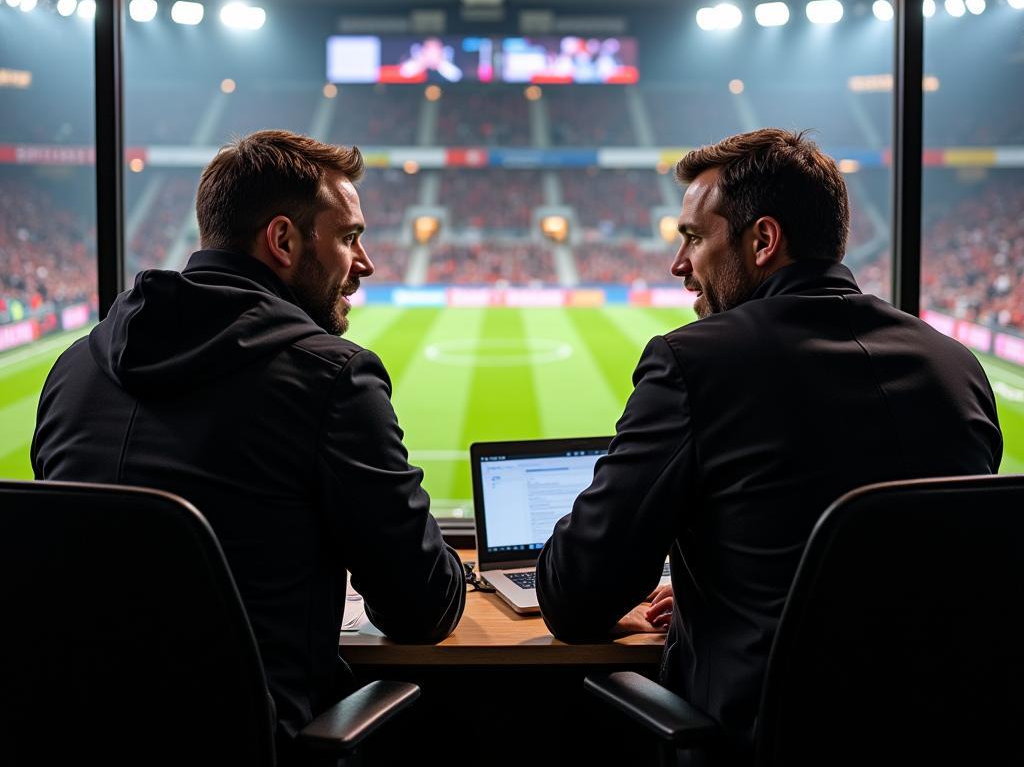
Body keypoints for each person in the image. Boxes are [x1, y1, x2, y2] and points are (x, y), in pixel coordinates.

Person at [536, 128, 1001, 765]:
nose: (678, 265)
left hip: (760, 741)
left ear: (763, 240)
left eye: (694, 239)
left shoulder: (694, 362)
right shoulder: (957, 367)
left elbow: (575, 595)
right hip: (952, 736)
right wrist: (724, 590)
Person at [32, 129, 466, 763]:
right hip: (253, 741)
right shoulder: (330, 375)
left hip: (68, 735)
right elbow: (422, 608)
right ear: (284, 240)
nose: (365, 263)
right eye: (348, 238)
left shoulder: (73, 368)